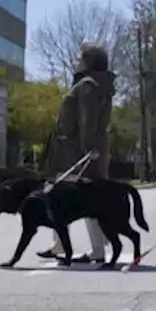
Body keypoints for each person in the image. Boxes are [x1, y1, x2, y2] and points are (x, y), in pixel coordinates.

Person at [37, 42, 116, 264]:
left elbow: (87, 120)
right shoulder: (96, 85)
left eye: (79, 57)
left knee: (69, 197)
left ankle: (94, 247)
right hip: (78, 152)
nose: (76, 61)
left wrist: (87, 148)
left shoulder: (88, 86)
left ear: (88, 62)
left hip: (76, 155)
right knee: (71, 198)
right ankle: (64, 244)